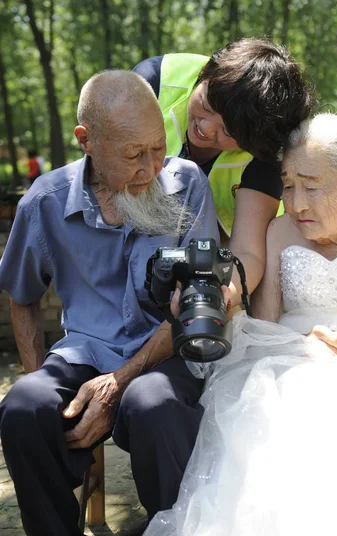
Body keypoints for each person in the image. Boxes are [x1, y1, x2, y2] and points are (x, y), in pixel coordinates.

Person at [144, 113, 337, 536]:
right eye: (288, 184)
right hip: (299, 363)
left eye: (313, 187)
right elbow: (261, 329)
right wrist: (301, 341)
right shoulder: (279, 234)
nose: (297, 203)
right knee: (298, 413)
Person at [0, 70, 220, 536]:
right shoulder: (45, 201)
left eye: (159, 146)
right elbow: (21, 297)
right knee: (24, 406)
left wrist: (117, 384)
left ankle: (177, 529)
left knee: (151, 403)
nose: (153, 165)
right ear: (87, 141)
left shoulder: (187, 183)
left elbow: (192, 303)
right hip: (84, 352)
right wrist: (38, 373)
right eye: (134, 154)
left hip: (165, 353)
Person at [134, 38, 313, 301]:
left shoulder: (263, 156)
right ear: (206, 75)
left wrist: (223, 296)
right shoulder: (153, 82)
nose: (205, 128)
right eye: (206, 105)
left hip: (210, 262)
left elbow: (248, 252)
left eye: (227, 131)